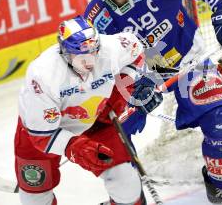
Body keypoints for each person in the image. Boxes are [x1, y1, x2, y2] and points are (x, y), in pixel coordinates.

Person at [83, 0, 222, 204]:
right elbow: (99, 68)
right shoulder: (96, 19)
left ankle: (219, 187)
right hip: (143, 78)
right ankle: (128, 198)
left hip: (188, 62)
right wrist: (133, 84)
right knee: (111, 134)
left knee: (220, 124)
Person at [14, 15, 163, 205]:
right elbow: (41, 135)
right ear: (65, 52)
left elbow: (137, 52)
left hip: (96, 120)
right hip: (41, 132)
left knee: (125, 182)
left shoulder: (111, 48)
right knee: (35, 198)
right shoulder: (43, 75)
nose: (90, 62)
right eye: (81, 55)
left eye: (93, 51)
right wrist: (74, 147)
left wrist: (121, 88)